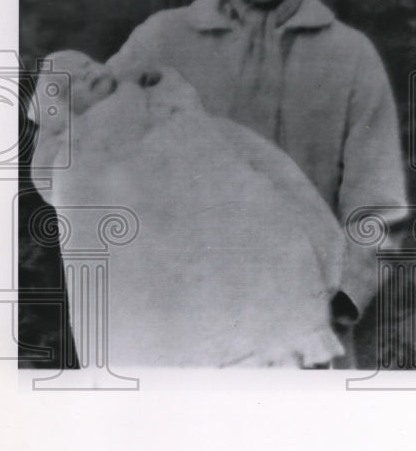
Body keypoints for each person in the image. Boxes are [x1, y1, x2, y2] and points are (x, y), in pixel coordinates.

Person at [107, 0, 408, 367]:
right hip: (183, 329)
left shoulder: (350, 57)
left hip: (308, 335)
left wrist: (332, 307)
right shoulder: (161, 42)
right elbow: (91, 145)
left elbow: (377, 212)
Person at [29, 50, 346, 368]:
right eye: (73, 85)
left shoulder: (168, 103)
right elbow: (76, 200)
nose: (88, 74)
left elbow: (263, 161)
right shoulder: (73, 154)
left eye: (88, 65)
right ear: (64, 109)